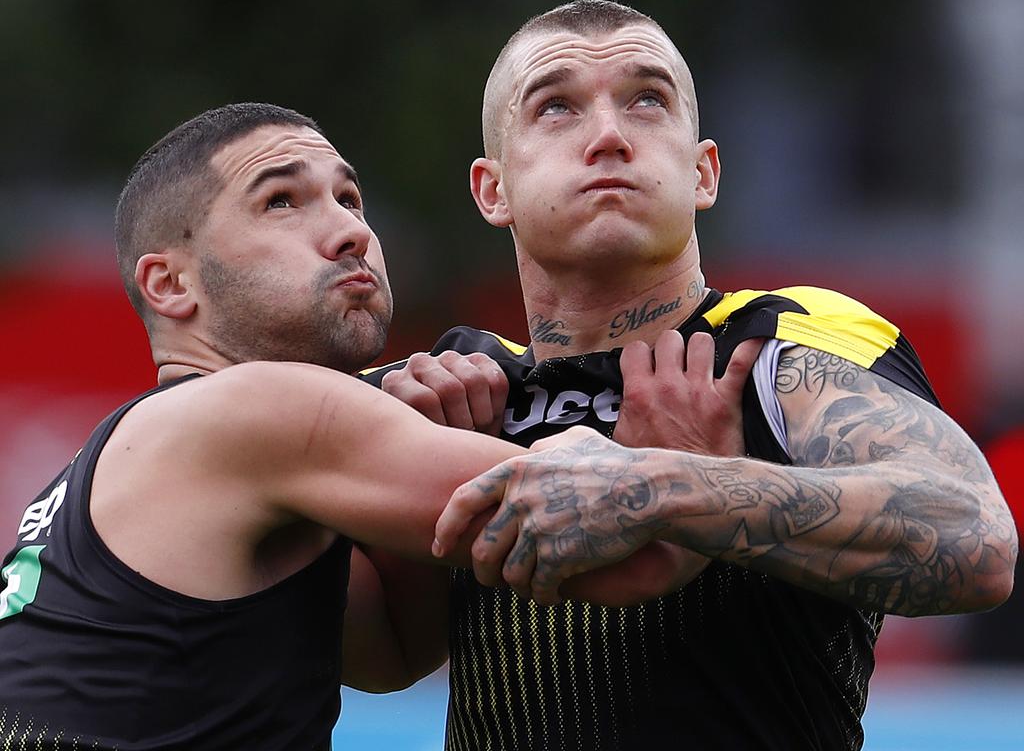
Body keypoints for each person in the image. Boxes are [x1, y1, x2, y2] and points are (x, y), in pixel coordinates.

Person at [369, 0, 1018, 750]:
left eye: (648, 100)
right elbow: (356, 649)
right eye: (556, 107)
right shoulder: (443, 385)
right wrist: (401, 499)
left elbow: (975, 537)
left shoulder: (778, 342)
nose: (609, 136)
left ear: (704, 172)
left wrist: (659, 491)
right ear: (493, 189)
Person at [0, 102, 695, 750]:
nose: (351, 230)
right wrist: (697, 459)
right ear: (171, 285)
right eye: (280, 201)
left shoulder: (136, 458)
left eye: (350, 198)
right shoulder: (256, 408)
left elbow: (390, 652)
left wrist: (436, 432)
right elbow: (629, 552)